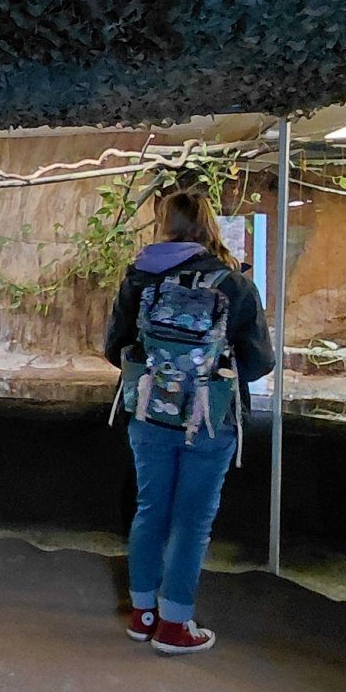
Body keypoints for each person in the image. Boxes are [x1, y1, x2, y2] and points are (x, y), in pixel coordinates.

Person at [102, 192, 274, 655]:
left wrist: (162, 371)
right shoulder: (234, 285)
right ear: (208, 225)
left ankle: (143, 616)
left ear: (164, 225)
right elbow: (260, 363)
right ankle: (175, 626)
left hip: (148, 414)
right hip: (210, 419)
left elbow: (113, 347)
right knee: (191, 522)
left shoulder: (139, 277)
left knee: (150, 508)